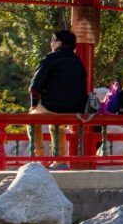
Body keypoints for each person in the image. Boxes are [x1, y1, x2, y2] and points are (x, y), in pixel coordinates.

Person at [28, 29, 88, 158]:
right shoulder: (78, 62)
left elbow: (34, 87)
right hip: (76, 109)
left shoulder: (51, 58)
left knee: (32, 119)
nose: (51, 43)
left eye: (53, 40)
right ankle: (59, 160)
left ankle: (39, 156)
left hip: (53, 107)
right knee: (58, 126)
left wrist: (34, 105)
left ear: (59, 43)